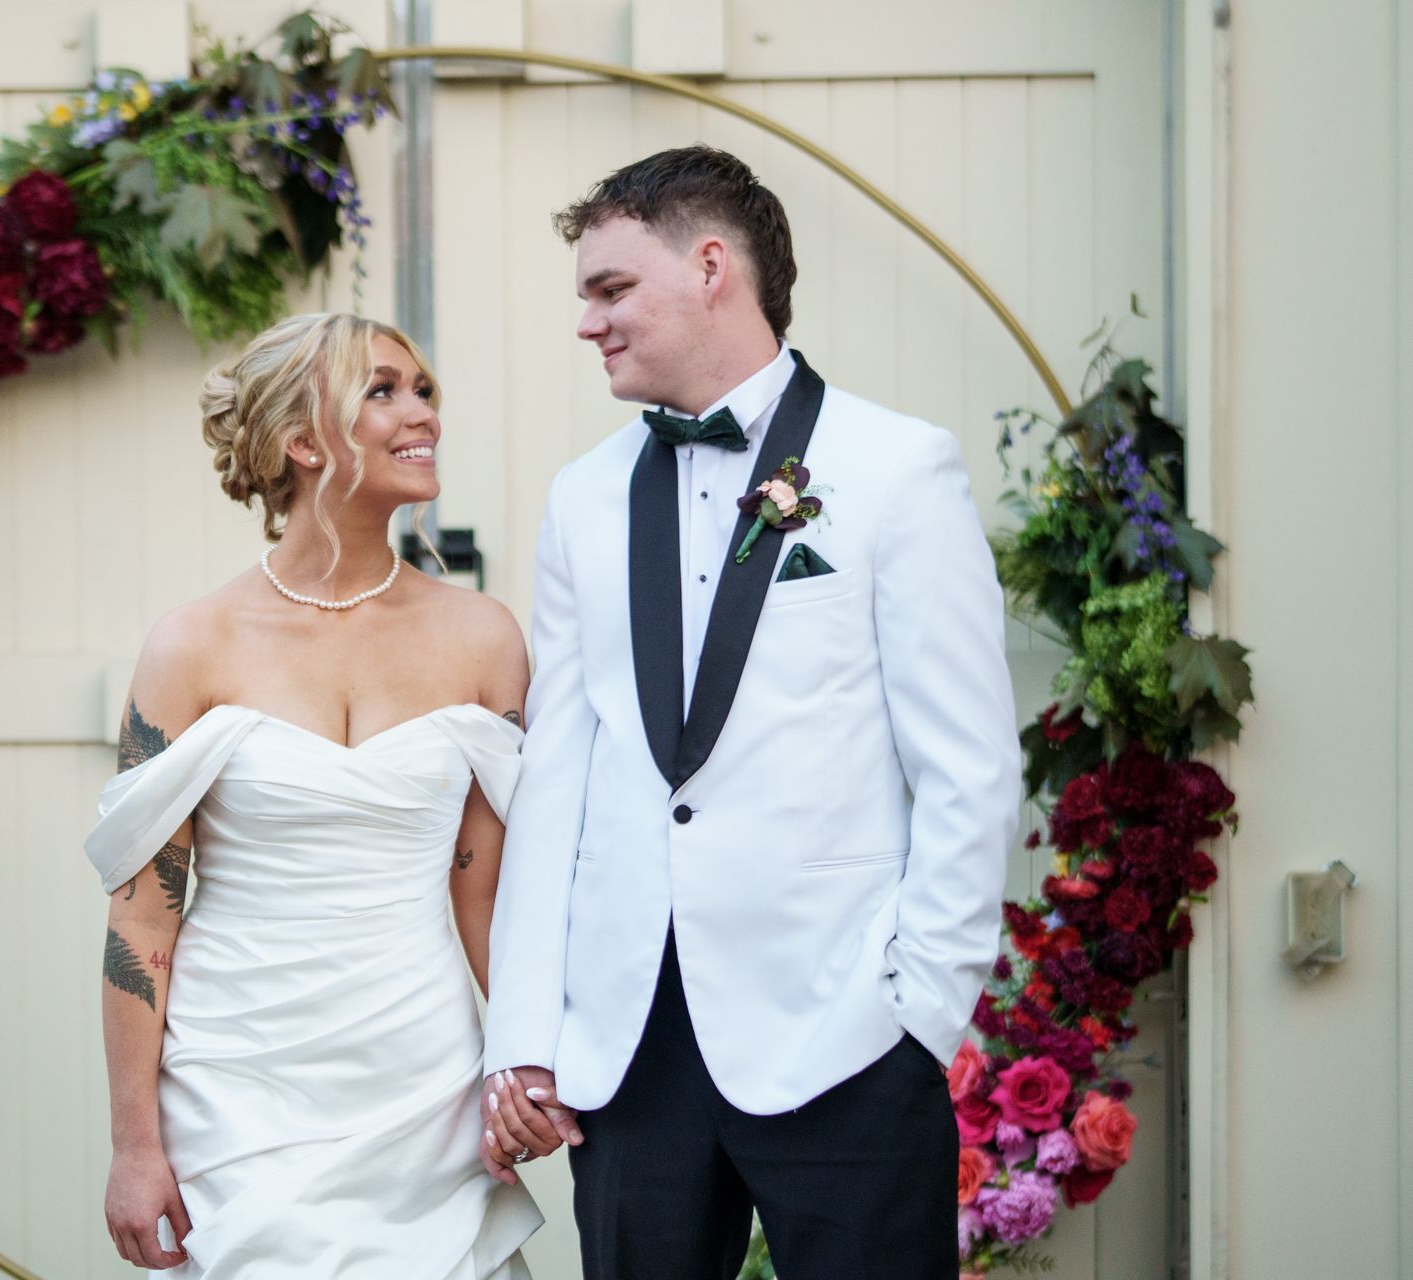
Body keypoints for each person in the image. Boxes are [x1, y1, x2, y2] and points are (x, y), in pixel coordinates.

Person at [481, 145, 1022, 1279]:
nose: (588, 323)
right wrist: (528, 1034)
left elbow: (968, 766)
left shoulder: (896, 469)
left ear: (712, 265)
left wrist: (921, 1010)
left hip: (845, 1030)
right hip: (631, 1049)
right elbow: (560, 778)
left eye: (610, 288)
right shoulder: (581, 497)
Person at [83, 312, 542, 1276]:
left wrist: (521, 1061)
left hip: (424, 1082)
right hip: (238, 1083)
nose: (421, 414)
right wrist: (135, 1145)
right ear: (300, 440)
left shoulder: (484, 638)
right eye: (383, 391)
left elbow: (488, 894)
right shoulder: (191, 646)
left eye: (423, 392)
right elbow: (142, 924)